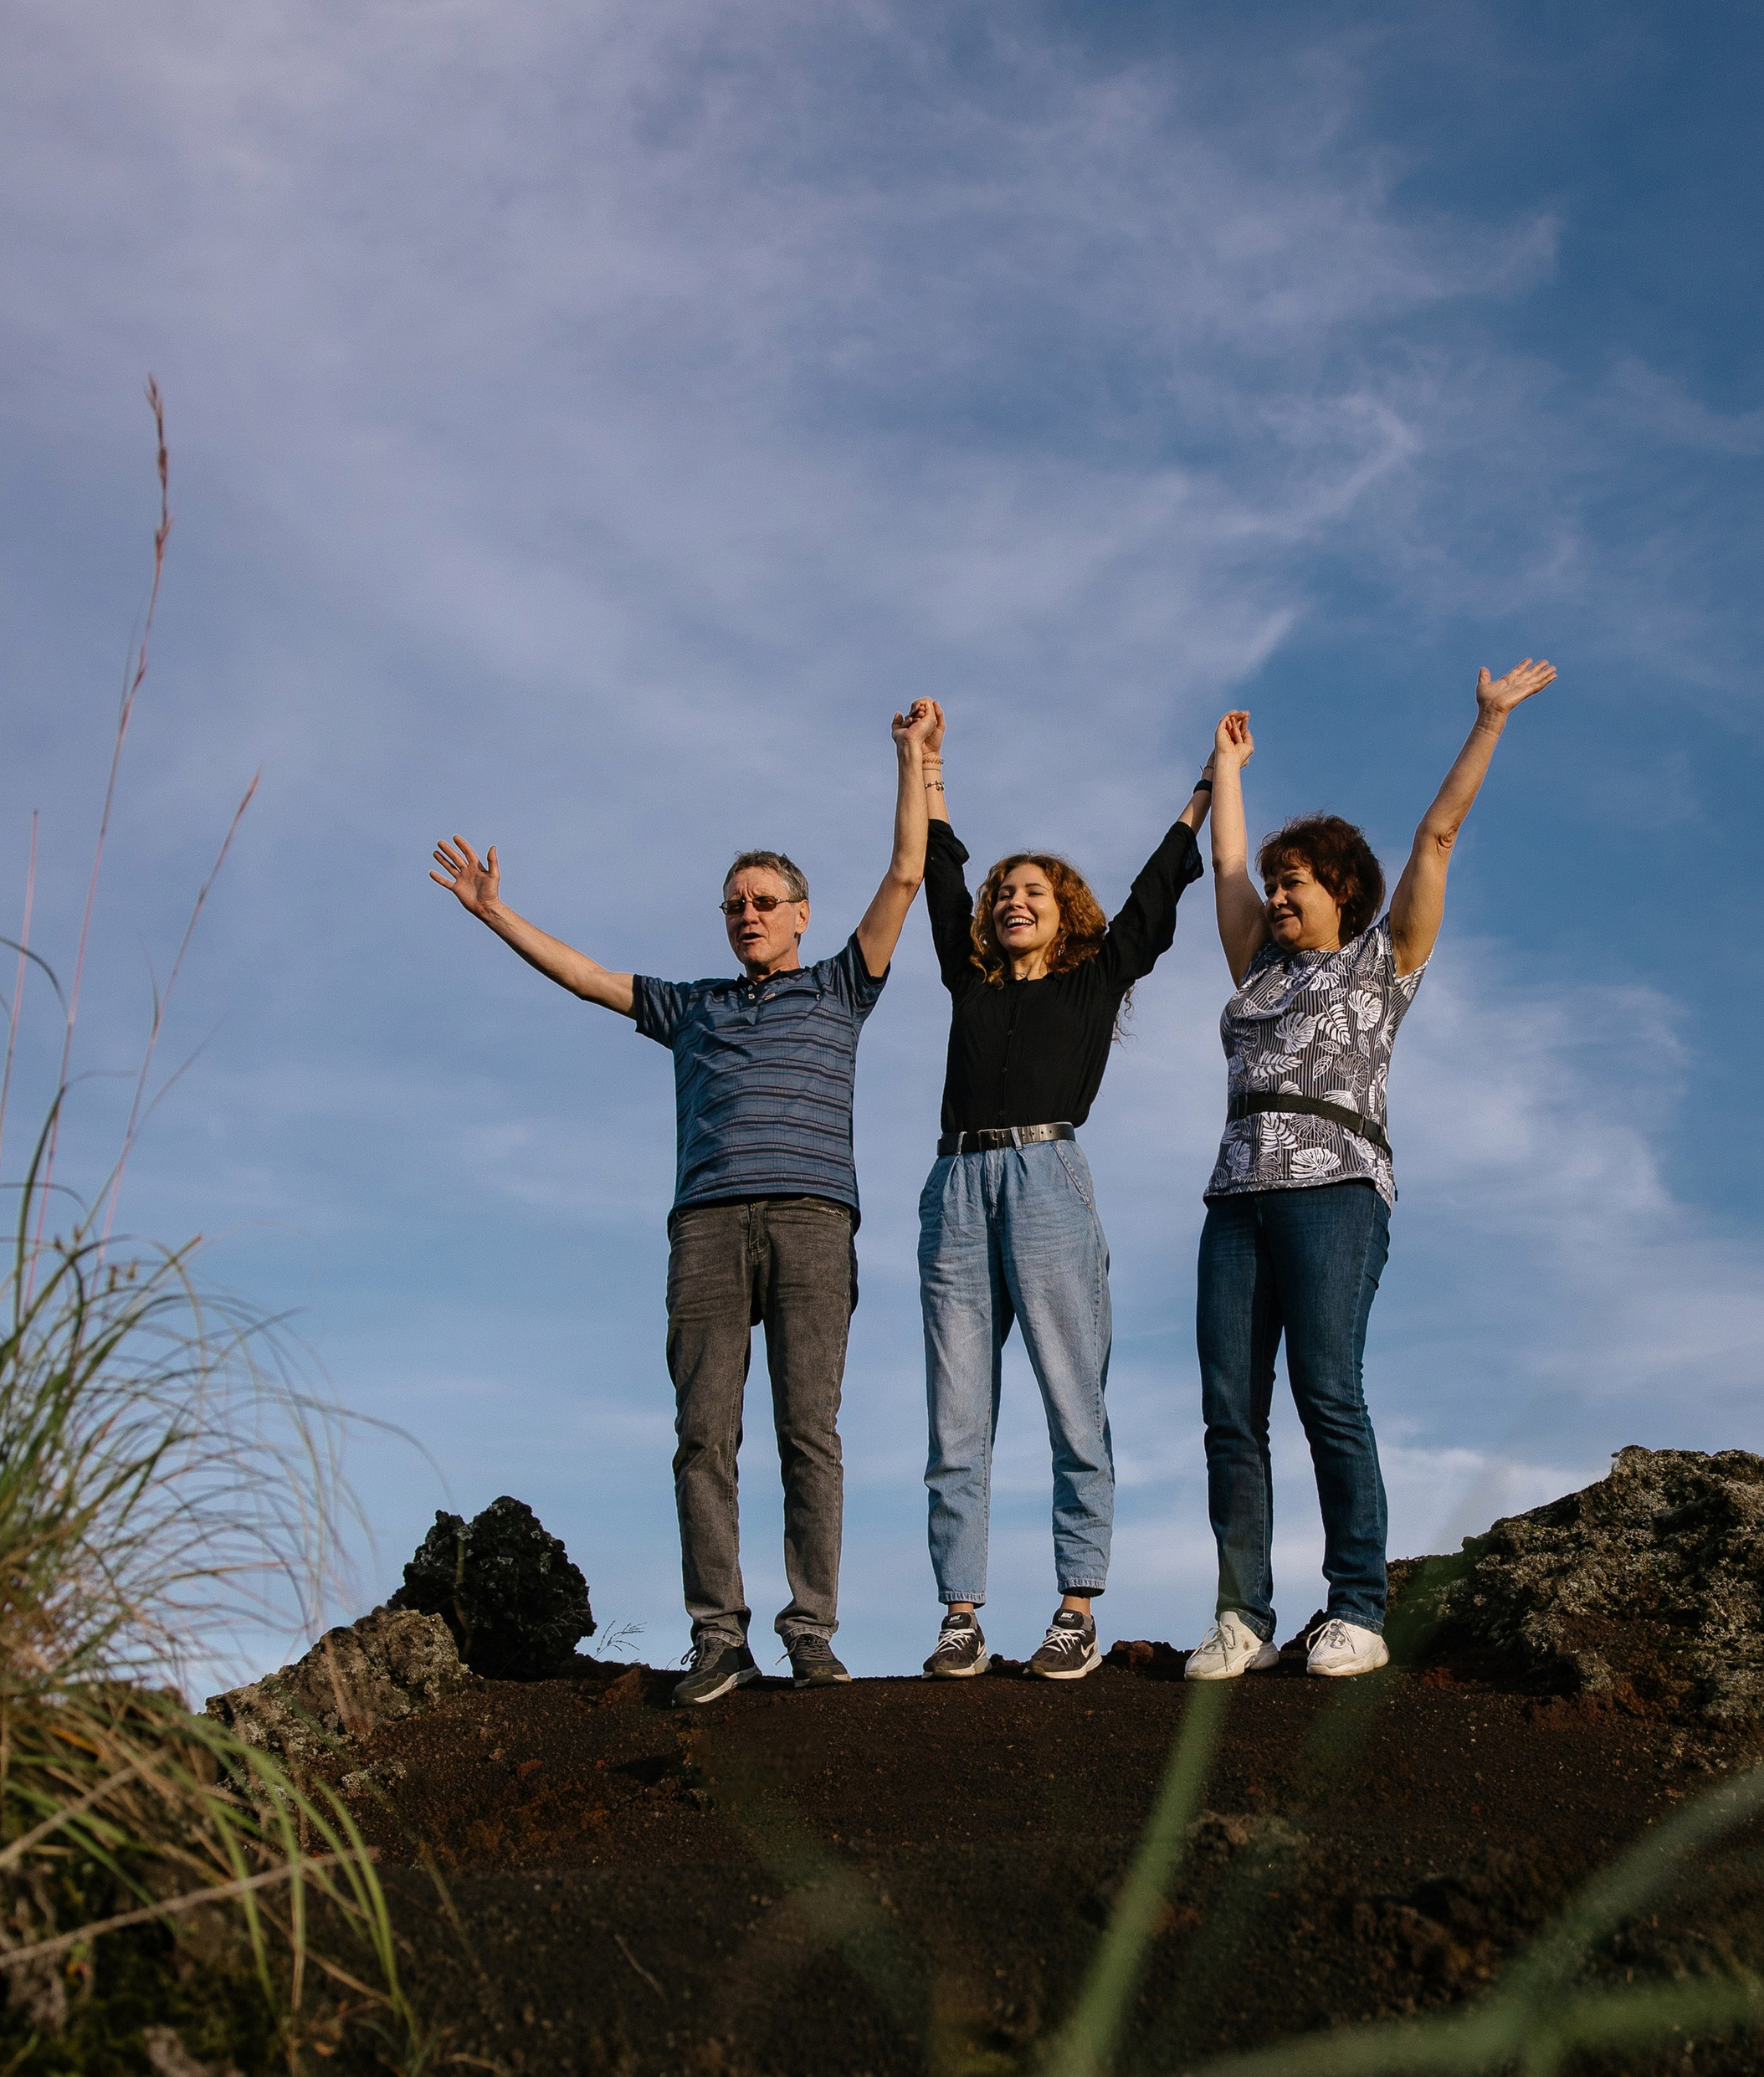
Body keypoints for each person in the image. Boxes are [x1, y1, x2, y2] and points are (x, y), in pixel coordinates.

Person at [429, 705, 936, 1704]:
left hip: (810, 1221)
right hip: (705, 1228)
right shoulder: (692, 1005)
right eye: (732, 903)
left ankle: (811, 1633)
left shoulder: (840, 986)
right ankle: (718, 1637)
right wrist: (495, 914)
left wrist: (911, 760)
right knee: (705, 1435)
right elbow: (587, 979)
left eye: (763, 901)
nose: (745, 914)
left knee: (809, 1433)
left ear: (799, 913)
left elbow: (906, 876)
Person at [1184, 662, 1557, 1683]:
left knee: (1326, 1391)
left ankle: (1356, 1606)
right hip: (1236, 1198)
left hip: (1336, 1189)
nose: (1274, 894)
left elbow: (1436, 835)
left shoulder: (1383, 958)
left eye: (1292, 880)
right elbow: (1224, 867)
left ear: (1339, 887)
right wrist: (1226, 769)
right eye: (1274, 882)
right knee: (1229, 1407)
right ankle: (1241, 1618)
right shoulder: (1257, 965)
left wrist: (1484, 722)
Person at [915, 718, 1209, 1681]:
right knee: (957, 1414)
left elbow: (1154, 896)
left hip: (1048, 1183)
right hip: (955, 1186)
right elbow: (940, 871)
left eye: (1031, 892)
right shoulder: (967, 979)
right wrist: (927, 767)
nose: (1010, 901)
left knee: (1072, 1400)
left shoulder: (1095, 979)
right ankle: (961, 1612)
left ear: (1064, 911)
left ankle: (1076, 1604)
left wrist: (1204, 795)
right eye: (1003, 893)